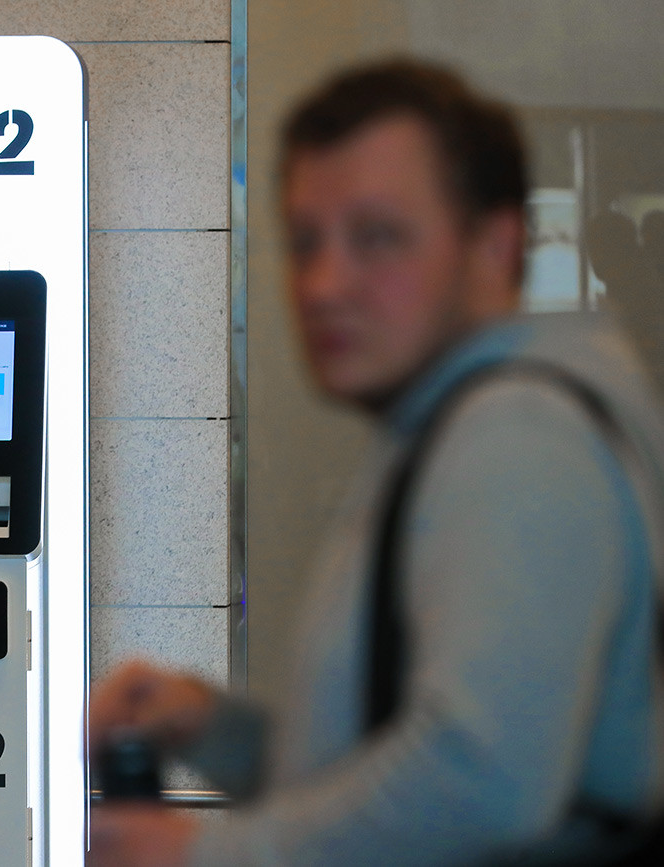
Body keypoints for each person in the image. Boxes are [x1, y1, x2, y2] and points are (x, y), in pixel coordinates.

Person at [89, 59, 664, 866]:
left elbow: (481, 780)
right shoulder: (451, 424)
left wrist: (210, 856)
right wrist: (212, 730)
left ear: (496, 247)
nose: (324, 285)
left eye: (377, 238)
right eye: (304, 242)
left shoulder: (516, 434)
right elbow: (381, 765)